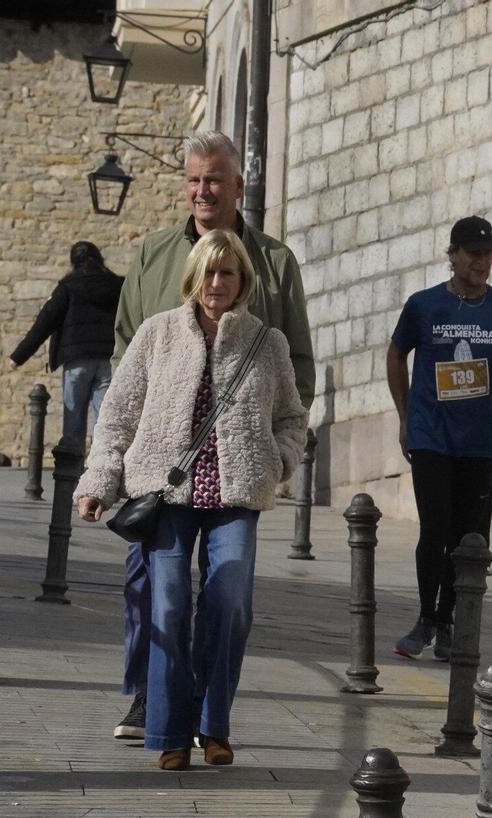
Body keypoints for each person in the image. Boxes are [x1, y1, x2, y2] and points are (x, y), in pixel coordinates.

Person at [108, 130, 314, 743]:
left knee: (227, 595)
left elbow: (294, 362)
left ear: (236, 186)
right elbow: (126, 353)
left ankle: (201, 709)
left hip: (235, 463)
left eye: (214, 180)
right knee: (149, 584)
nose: (203, 191)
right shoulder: (152, 254)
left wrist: (277, 457)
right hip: (160, 468)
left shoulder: (274, 263)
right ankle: (150, 698)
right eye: (194, 180)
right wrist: (120, 460)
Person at [73, 230, 305, 770]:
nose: (216, 283)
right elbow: (119, 414)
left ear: (243, 281)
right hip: (165, 491)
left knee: (228, 602)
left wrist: (281, 459)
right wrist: (99, 483)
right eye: (208, 272)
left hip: (236, 490)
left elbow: (292, 416)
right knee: (169, 604)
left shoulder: (266, 342)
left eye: (228, 273)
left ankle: (213, 726)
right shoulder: (157, 334)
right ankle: (169, 732)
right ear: (192, 278)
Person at [387, 216, 492, 661]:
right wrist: (404, 415)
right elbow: (396, 356)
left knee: (469, 537)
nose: (481, 262)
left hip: (483, 440)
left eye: (488, 254)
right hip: (431, 436)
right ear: (452, 255)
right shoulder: (424, 305)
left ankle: (450, 620)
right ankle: (426, 617)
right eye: (473, 253)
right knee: (434, 528)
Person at [9, 241, 125, 451]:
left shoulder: (68, 286)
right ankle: (100, 469)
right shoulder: (117, 285)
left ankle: (69, 474)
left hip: (76, 359)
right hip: (108, 357)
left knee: (73, 417)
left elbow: (45, 321)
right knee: (104, 418)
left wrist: (18, 357)